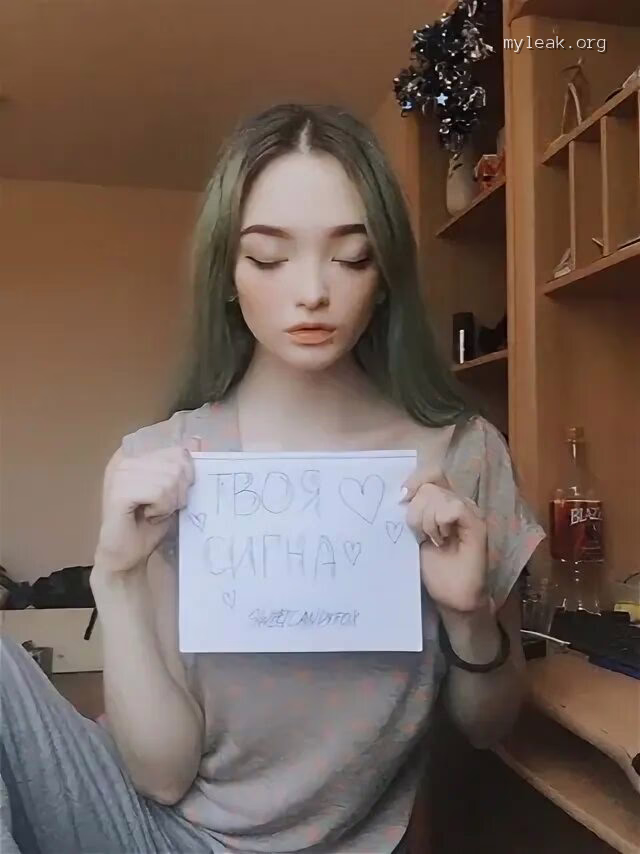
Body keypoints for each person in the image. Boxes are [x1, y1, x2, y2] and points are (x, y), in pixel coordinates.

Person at [0, 103, 545, 854]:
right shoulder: (168, 460)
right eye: (267, 258)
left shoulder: (463, 457)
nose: (312, 291)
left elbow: (491, 726)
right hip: (151, 827)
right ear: (228, 274)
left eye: (351, 257)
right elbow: (161, 779)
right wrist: (116, 579)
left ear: (385, 275)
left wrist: (469, 614)